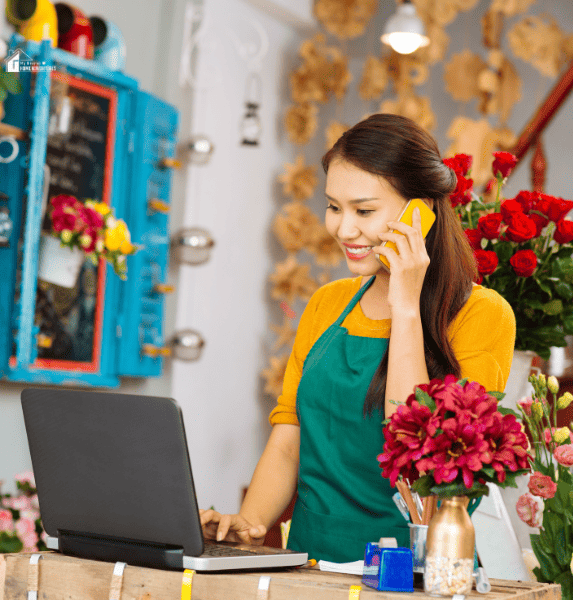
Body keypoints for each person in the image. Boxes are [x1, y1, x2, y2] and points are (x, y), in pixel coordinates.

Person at [200, 113, 516, 562]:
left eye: (364, 211)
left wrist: (406, 307)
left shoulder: (482, 315)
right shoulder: (327, 304)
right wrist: (246, 532)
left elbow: (416, 456)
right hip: (309, 567)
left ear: (421, 212)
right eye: (334, 207)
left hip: (413, 574)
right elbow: (289, 441)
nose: (344, 230)